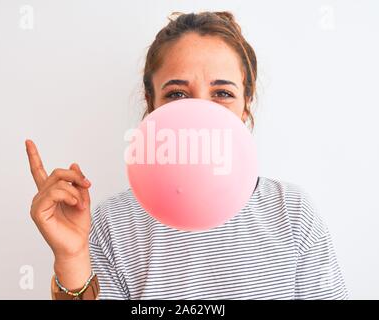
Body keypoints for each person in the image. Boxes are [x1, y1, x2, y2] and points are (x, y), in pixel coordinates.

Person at [26, 11, 348, 300]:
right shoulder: (112, 224)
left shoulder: (291, 212)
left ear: (245, 106)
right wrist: (71, 259)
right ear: (151, 104)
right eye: (177, 94)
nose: (200, 112)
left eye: (222, 93)